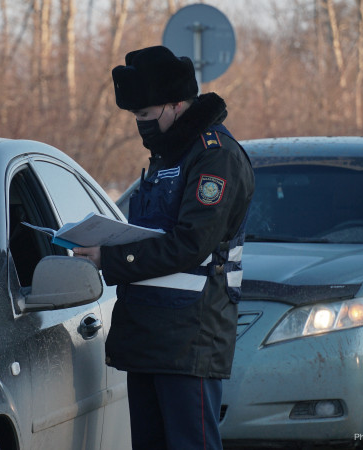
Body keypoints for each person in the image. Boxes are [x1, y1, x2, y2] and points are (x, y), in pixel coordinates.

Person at [74, 46, 254, 449]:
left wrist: (110, 258)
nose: (140, 126)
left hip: (191, 339)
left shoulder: (215, 156)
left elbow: (192, 243)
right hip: (149, 336)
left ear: (176, 104)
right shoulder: (167, 155)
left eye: (146, 115)